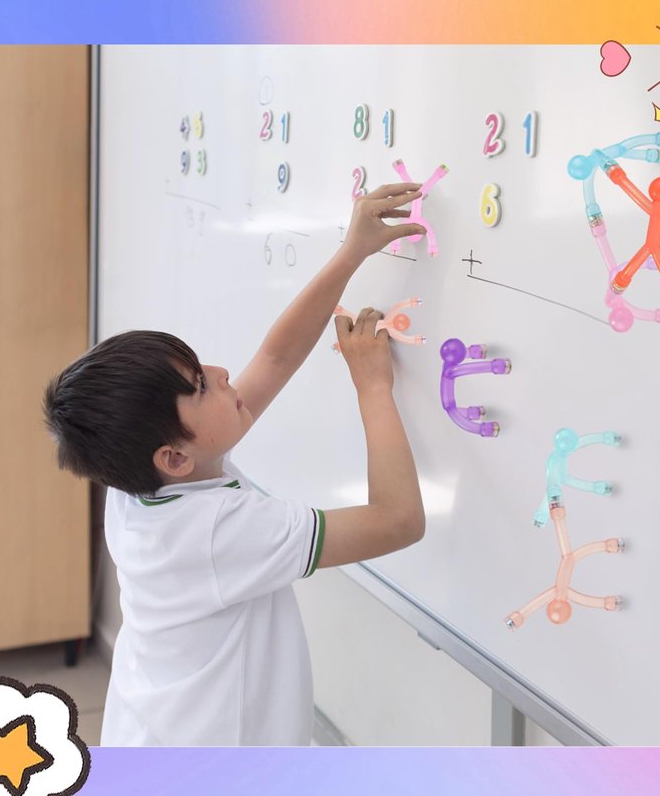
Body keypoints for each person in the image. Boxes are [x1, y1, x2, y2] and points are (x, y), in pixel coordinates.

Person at [43, 182, 427, 746]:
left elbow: (275, 356)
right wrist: (373, 387)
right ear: (175, 456)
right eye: (201, 384)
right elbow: (398, 521)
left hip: (154, 736)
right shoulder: (219, 532)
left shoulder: (137, 484)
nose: (222, 372)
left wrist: (352, 252)